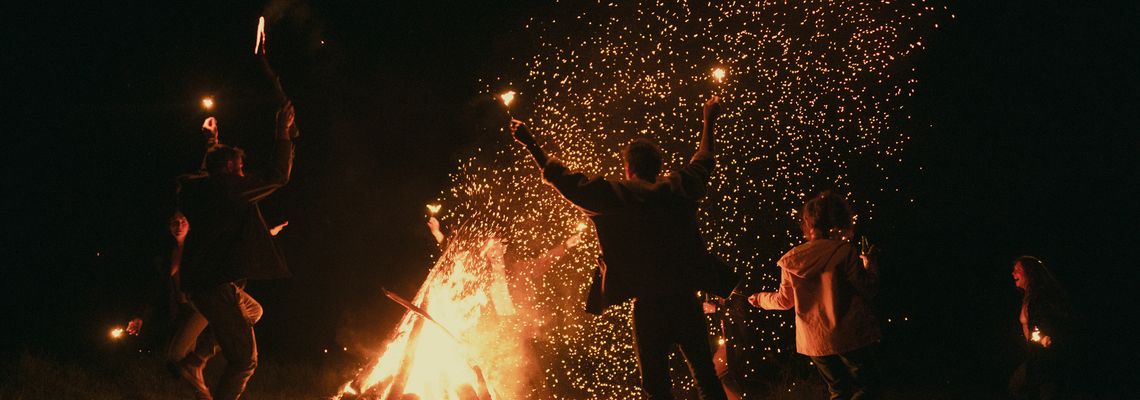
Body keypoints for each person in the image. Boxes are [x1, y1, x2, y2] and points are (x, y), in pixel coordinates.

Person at [509, 96, 732, 400]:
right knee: (706, 378)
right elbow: (703, 159)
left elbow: (564, 181)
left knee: (656, 388)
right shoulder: (677, 189)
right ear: (659, 168)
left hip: (648, 308)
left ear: (627, 168)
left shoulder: (616, 196)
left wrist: (530, 143)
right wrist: (709, 119)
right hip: (685, 301)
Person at [176, 102, 297, 400]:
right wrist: (282, 130)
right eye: (240, 169)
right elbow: (278, 176)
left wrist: (212, 141)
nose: (243, 175)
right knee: (245, 360)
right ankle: (195, 365)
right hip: (213, 284)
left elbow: (209, 169)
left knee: (254, 310)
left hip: (202, 280)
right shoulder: (227, 190)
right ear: (229, 170)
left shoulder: (202, 188)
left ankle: (195, 361)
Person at [748, 191, 880, 400]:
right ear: (837, 220)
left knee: (838, 391)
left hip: (815, 339)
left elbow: (784, 301)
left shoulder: (792, 259)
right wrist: (870, 266)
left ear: (808, 223)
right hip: (849, 335)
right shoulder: (845, 251)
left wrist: (760, 299)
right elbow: (868, 289)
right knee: (868, 387)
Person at [1008, 256, 1073, 400]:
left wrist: (1043, 338)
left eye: (1018, 270)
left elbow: (1047, 321)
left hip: (1047, 357)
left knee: (1041, 390)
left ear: (1030, 273)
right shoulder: (1029, 296)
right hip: (1036, 356)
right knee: (1018, 386)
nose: (1013, 274)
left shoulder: (1041, 296)